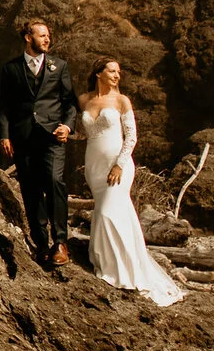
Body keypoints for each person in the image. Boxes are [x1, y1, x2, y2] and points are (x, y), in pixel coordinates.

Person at [78, 59, 186, 305]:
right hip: (93, 165)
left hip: (119, 165)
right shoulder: (84, 100)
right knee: (109, 211)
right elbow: (84, 134)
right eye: (112, 71)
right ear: (98, 73)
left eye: (118, 72)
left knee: (107, 212)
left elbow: (132, 137)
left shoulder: (121, 101)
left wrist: (119, 164)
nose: (117, 75)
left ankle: (123, 271)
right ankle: (107, 262)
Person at [0, 20, 73, 267]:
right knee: (30, 190)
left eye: (48, 35)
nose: (47, 39)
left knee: (54, 182)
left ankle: (60, 243)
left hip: (53, 136)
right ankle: (41, 245)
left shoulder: (59, 67)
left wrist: (67, 126)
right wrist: (5, 135)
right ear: (28, 38)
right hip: (24, 137)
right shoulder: (11, 69)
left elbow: (70, 103)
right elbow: (4, 106)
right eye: (42, 35)